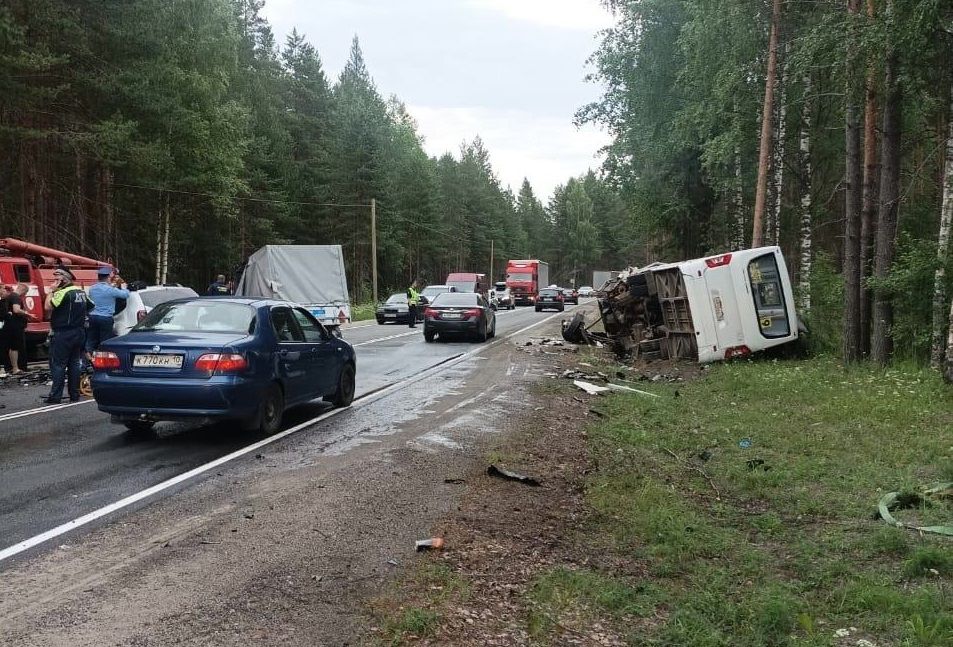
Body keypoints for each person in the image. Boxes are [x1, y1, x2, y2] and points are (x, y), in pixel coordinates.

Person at [42, 268, 93, 404]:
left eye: (56, 279)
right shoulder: (80, 292)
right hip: (79, 332)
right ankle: (74, 394)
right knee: (74, 364)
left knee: (58, 364)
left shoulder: (62, 292)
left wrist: (51, 291)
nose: (54, 282)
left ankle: (55, 396)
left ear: (63, 280)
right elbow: (91, 306)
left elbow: (48, 306)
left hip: (63, 332)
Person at [87, 266, 129, 356]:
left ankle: (85, 363)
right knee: (105, 341)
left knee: (91, 340)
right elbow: (125, 295)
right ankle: (102, 361)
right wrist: (124, 287)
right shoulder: (110, 290)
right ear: (108, 278)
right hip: (105, 318)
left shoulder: (92, 288)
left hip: (93, 317)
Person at [7, 283, 35, 375]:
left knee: (13, 346)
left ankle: (14, 367)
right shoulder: (16, 297)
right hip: (16, 326)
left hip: (11, 325)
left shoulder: (10, 296)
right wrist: (28, 314)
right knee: (16, 347)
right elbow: (16, 310)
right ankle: (16, 368)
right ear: (23, 290)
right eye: (25, 293)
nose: (25, 295)